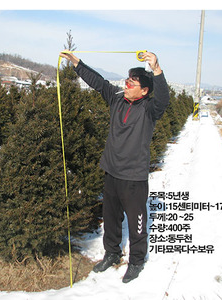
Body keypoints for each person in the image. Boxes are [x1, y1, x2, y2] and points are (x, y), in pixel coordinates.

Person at [59, 50, 170, 283]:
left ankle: (137, 261)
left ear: (144, 90)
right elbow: (99, 83)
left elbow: (163, 99)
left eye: (133, 82)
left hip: (134, 178)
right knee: (110, 218)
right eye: (127, 80)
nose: (127, 84)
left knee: (136, 222)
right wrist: (77, 63)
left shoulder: (150, 109)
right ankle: (112, 252)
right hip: (111, 171)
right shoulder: (117, 98)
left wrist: (156, 69)